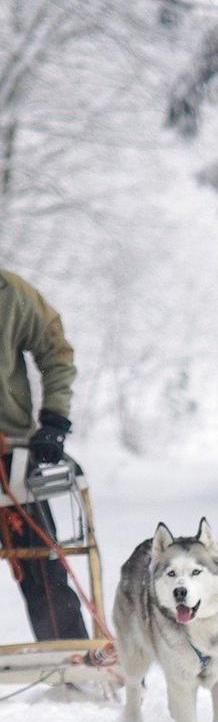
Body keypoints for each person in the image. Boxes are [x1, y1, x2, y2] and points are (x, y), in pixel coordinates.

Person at [0, 267, 88, 641]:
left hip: (9, 450)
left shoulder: (10, 293)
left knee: (40, 566)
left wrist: (53, 420)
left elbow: (56, 350)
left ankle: (73, 660)